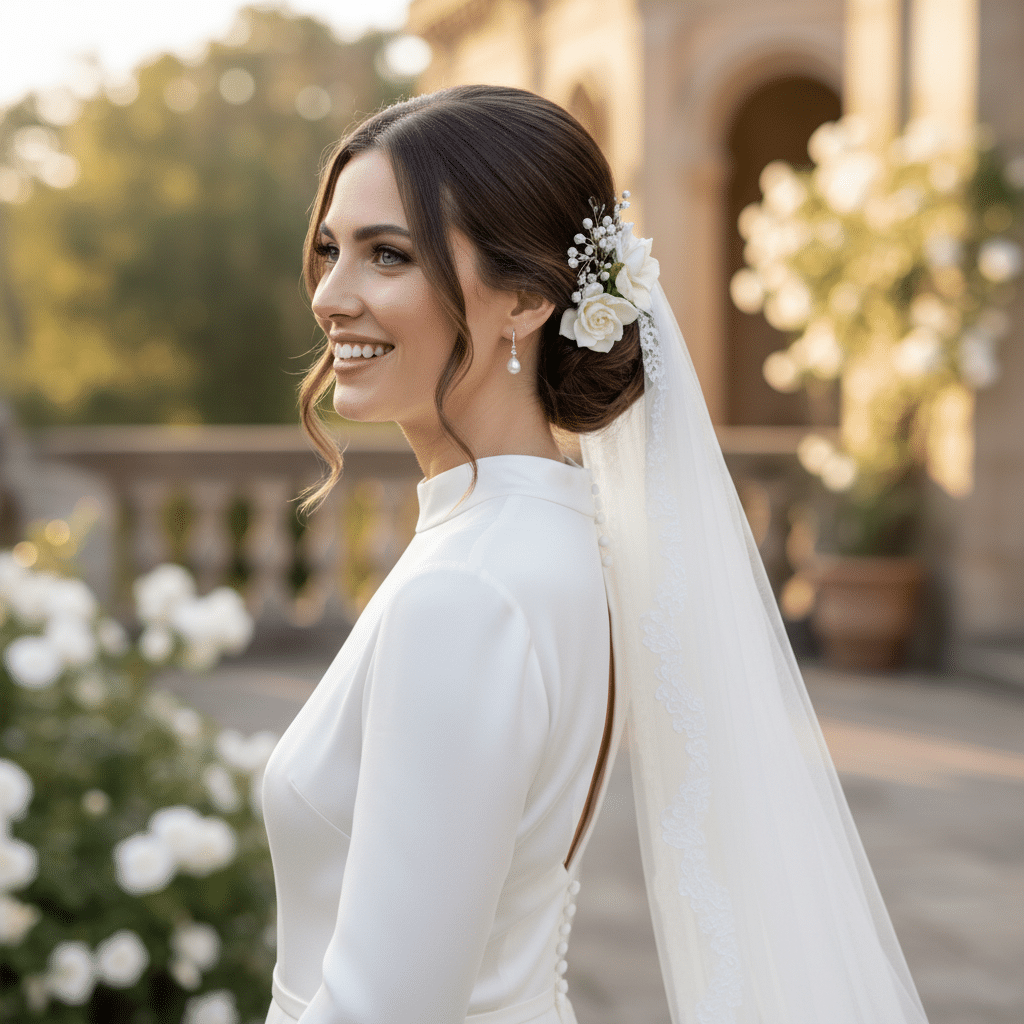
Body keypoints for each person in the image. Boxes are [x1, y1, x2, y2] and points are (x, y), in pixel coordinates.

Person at [261, 85, 930, 1024]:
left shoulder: (466, 593)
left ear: (528, 298)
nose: (332, 295)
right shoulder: (566, 538)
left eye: (389, 255)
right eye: (331, 249)